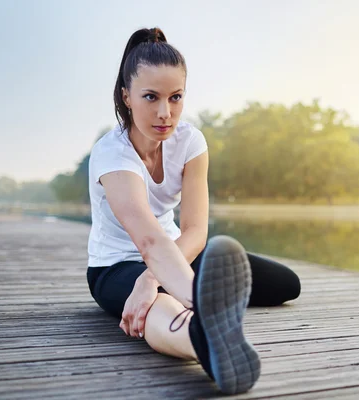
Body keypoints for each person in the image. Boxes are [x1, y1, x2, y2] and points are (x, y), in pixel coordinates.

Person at [86, 27, 301, 395]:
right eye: (150, 97)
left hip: (175, 256)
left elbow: (196, 232)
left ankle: (201, 309)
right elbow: (149, 239)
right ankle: (204, 341)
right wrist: (168, 289)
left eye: (176, 97)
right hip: (117, 266)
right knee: (159, 307)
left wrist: (152, 280)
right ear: (127, 96)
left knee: (284, 284)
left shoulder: (190, 142)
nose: (164, 112)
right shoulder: (112, 154)